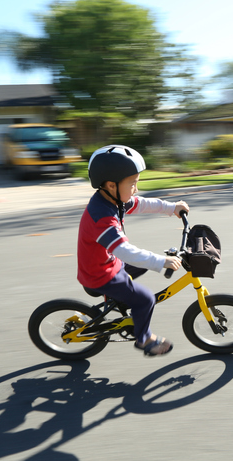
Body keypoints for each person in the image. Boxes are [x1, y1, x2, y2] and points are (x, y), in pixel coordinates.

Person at [77, 145, 189, 356]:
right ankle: (144, 339)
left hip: (107, 264)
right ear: (111, 185)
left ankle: (116, 301)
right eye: (133, 183)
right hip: (100, 274)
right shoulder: (102, 217)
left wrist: (171, 208)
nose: (136, 188)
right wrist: (160, 261)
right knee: (146, 298)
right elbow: (124, 251)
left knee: (141, 268)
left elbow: (142, 203)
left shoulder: (113, 200)